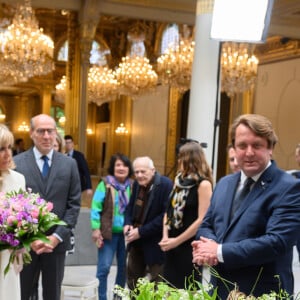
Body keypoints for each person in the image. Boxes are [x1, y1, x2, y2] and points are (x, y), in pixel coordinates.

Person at [192, 114, 300, 299]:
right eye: (242, 146)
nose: (249, 152)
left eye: (257, 145)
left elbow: (277, 242)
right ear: (234, 148)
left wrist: (218, 251)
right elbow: (206, 224)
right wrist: (206, 248)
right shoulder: (224, 183)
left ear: (270, 148)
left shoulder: (288, 187)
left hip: (262, 292)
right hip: (220, 289)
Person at [14, 114, 81, 300]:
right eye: (40, 131)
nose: (46, 136)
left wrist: (56, 237)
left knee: (52, 294)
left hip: (56, 245)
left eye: (50, 131)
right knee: (23, 293)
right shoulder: (17, 164)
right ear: (31, 134)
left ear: (56, 134)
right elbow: (10, 207)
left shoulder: (69, 164)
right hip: (26, 246)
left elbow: (74, 206)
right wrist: (30, 238)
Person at [159, 142, 213, 288]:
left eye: (181, 157)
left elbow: (202, 219)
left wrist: (176, 241)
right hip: (171, 244)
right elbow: (168, 211)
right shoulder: (178, 181)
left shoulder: (204, 185)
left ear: (190, 159)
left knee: (186, 288)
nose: (178, 161)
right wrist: (165, 237)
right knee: (169, 288)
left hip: (188, 245)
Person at [124, 156, 173, 290]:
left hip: (155, 244)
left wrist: (141, 232)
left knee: (158, 285)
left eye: (143, 171)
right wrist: (127, 223)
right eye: (137, 172)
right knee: (133, 283)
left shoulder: (166, 185)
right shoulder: (136, 185)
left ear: (153, 170)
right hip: (136, 242)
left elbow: (165, 216)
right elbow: (129, 208)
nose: (139, 175)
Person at [91, 153, 133, 300]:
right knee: (104, 268)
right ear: (113, 168)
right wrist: (95, 228)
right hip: (107, 234)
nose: (121, 168)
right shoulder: (105, 184)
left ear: (129, 168)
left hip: (127, 235)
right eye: (118, 165)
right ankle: (101, 297)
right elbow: (96, 207)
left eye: (124, 165)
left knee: (123, 268)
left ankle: (118, 297)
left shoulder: (133, 186)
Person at [0, 124, 26, 300]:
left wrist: (21, 246)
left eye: (9, 147)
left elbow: (23, 218)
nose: (8, 153)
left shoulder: (18, 179)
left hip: (8, 254)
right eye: (1, 149)